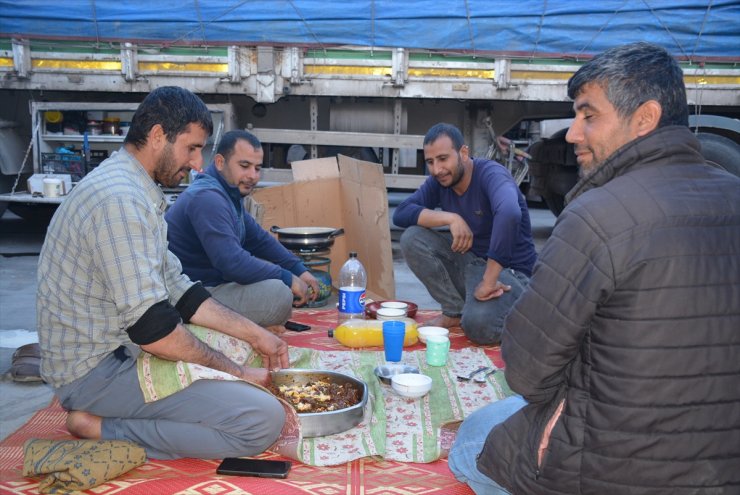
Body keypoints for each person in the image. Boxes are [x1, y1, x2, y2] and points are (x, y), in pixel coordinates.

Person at [449, 42, 740, 494]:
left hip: (612, 471)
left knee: (473, 438)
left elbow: (525, 374)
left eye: (589, 116)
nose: (572, 134)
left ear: (644, 118)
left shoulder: (598, 214)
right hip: (722, 468)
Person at [36, 87, 290, 461]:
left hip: (122, 349)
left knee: (233, 345)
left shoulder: (135, 190)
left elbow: (181, 291)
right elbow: (154, 332)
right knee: (262, 418)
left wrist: (257, 336)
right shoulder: (119, 199)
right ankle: (102, 427)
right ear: (157, 136)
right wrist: (235, 372)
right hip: (96, 373)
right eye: (192, 148)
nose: (199, 163)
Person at [392, 123, 537, 344]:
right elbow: (401, 214)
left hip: (510, 273)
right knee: (412, 238)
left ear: (464, 153)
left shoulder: (491, 174)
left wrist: (489, 281)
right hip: (473, 265)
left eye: (443, 159)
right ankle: (454, 311)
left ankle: (529, 314)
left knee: (478, 327)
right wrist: (450, 218)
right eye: (430, 162)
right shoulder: (440, 182)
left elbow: (509, 213)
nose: (436, 169)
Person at [165, 130, 319, 330]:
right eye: (244, 166)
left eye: (257, 168)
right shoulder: (207, 198)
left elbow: (260, 240)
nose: (252, 176)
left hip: (210, 287)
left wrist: (299, 270)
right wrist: (287, 277)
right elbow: (233, 262)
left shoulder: (226, 194)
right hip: (188, 296)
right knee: (279, 294)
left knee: (275, 285)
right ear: (220, 163)